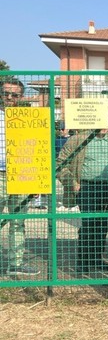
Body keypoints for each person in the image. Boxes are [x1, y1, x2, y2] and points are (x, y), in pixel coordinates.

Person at [56, 128, 108, 273]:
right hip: (86, 187)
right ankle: (83, 261)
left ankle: (96, 258)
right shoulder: (78, 139)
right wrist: (72, 183)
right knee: (89, 224)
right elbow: (59, 164)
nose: (105, 126)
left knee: (103, 224)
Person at [0, 78, 40, 276]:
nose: (9, 97)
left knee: (18, 220)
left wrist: (36, 179)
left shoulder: (27, 118)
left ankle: (15, 262)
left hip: (20, 174)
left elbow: (36, 148)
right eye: (6, 93)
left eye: (14, 94)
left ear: (21, 97)